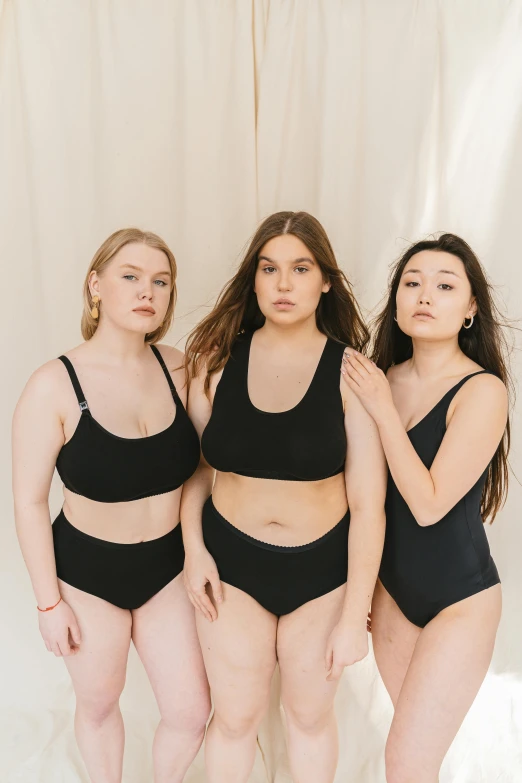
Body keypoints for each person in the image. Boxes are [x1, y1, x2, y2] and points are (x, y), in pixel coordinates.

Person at [181, 211, 387, 783]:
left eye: (301, 268)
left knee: (308, 716)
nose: (284, 283)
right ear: (254, 280)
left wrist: (355, 614)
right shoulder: (217, 362)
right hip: (230, 565)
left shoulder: (352, 374)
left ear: (325, 281)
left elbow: (370, 506)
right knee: (235, 716)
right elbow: (196, 470)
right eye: (269, 269)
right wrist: (194, 550)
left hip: (322, 573)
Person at [12, 228, 210, 783]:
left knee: (191, 712)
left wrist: (196, 550)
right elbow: (28, 502)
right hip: (87, 571)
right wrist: (49, 604)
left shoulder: (179, 369)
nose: (147, 291)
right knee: (99, 705)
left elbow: (204, 466)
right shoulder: (53, 384)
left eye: (160, 281)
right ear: (95, 286)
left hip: (167, 567)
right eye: (130, 276)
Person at [341, 233, 510, 783]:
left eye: (444, 285)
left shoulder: (482, 391)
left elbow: (430, 504)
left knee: (405, 761)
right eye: (411, 283)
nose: (424, 295)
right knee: (415, 762)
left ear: (470, 308)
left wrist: (383, 411)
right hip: (392, 595)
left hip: (459, 600)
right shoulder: (378, 379)